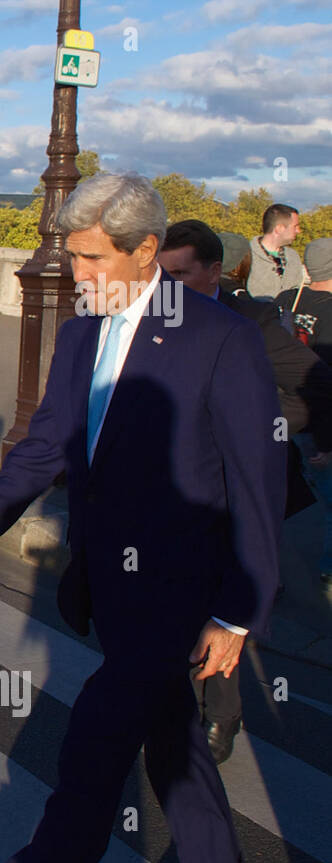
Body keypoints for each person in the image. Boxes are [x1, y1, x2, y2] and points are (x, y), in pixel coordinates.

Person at [0, 173, 285, 863]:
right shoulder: (80, 335)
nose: (76, 271)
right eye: (73, 254)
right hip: (110, 583)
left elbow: (258, 486)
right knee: (171, 744)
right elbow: (41, 449)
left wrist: (238, 614)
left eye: (93, 258)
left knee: (96, 738)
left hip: (179, 589)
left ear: (147, 249)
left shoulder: (219, 339)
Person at [160, 221, 332, 760]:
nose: (168, 286)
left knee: (217, 605)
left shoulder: (252, 320)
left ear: (214, 271)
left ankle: (221, 715)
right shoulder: (149, 316)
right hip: (169, 487)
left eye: (181, 274)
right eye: (161, 274)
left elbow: (314, 383)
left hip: (235, 491)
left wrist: (251, 421)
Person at [276, 238, 332, 600]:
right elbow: (328, 385)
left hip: (282, 413)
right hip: (315, 422)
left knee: (273, 498)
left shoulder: (286, 300)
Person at [248, 203, 308, 301]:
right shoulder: (247, 255)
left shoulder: (293, 257)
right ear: (279, 228)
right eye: (295, 226)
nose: (298, 231)